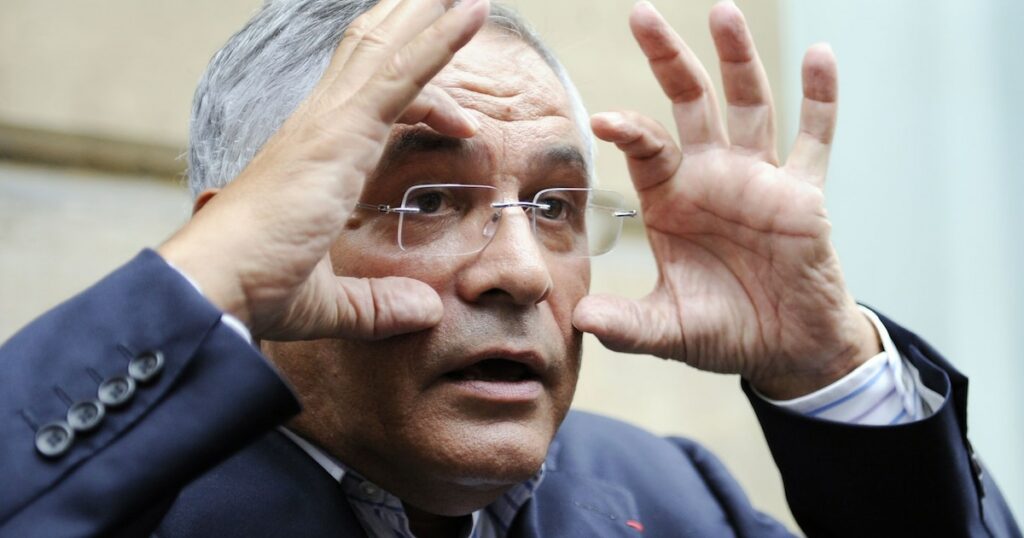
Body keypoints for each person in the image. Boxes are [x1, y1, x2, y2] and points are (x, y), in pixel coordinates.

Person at [0, 0, 1019, 536]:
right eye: (427, 199)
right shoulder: (116, 499)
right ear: (251, 244)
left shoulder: (669, 499)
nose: (520, 272)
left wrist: (828, 364)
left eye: (555, 206)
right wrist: (194, 285)